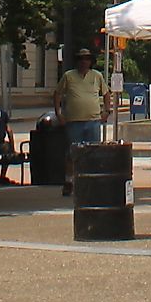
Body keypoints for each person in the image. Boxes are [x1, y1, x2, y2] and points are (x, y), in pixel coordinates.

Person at [55, 49, 108, 195]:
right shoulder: (68, 76)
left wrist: (106, 110)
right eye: (81, 59)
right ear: (77, 61)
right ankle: (69, 181)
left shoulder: (97, 76)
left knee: (93, 152)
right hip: (73, 121)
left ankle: (92, 181)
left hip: (93, 120)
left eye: (87, 59)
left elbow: (106, 93)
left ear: (91, 61)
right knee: (72, 153)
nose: (84, 61)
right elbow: (58, 93)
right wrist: (58, 113)